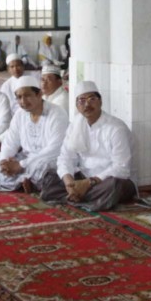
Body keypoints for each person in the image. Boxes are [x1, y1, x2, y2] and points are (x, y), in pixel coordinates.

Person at [39, 81, 136, 211]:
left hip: (107, 180)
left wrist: (88, 183)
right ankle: (80, 196)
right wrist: (69, 183)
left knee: (114, 186)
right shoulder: (75, 125)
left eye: (92, 99)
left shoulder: (116, 128)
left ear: (100, 101)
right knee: (50, 176)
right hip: (84, 177)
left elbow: (121, 169)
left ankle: (77, 198)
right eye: (82, 100)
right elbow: (65, 157)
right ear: (77, 105)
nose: (87, 104)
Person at [0, 75, 68, 192]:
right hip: (23, 159)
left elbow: (55, 149)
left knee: (44, 168)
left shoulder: (57, 113)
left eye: (27, 96)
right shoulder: (20, 114)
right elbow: (10, 142)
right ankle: (23, 181)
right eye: (19, 97)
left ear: (39, 94)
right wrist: (4, 162)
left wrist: (21, 165)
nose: (23, 101)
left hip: (46, 159)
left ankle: (17, 181)